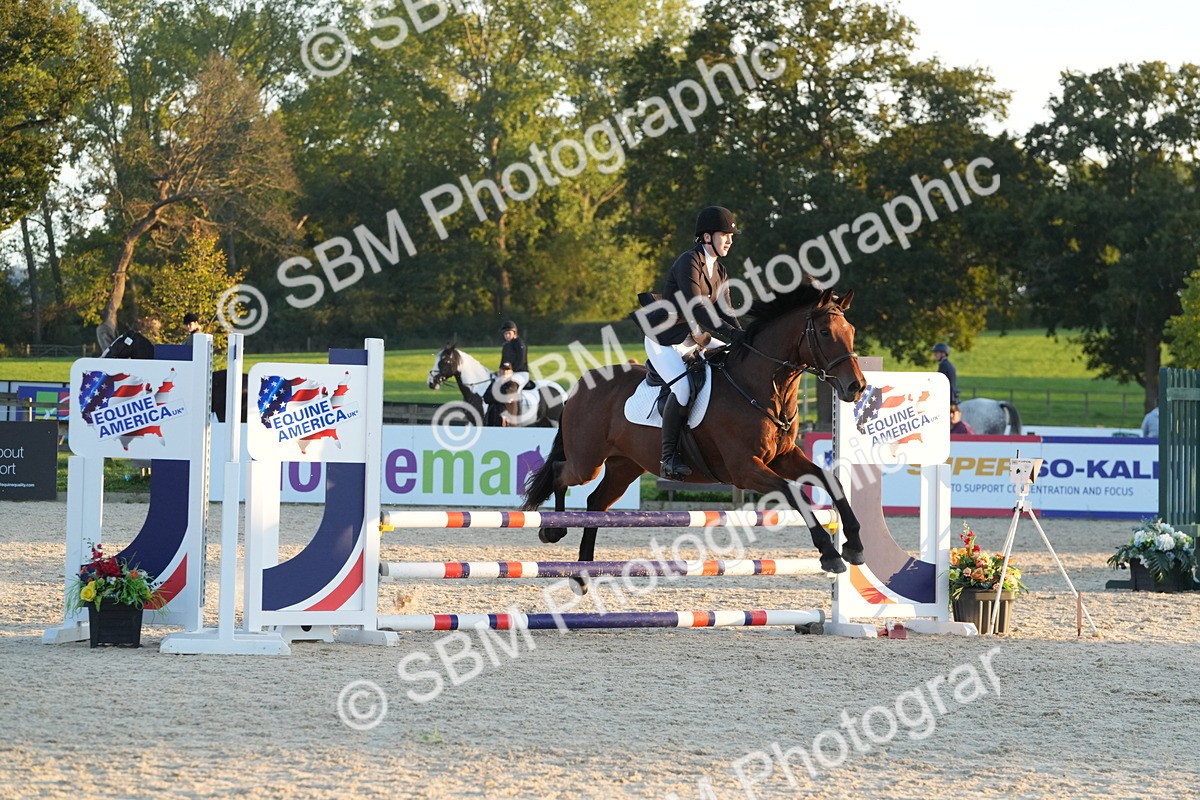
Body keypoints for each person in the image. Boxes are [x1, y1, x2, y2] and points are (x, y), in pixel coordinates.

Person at [638, 206, 745, 480]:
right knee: (683, 389)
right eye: (726, 235)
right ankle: (668, 458)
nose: (730, 241)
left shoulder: (719, 270)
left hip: (695, 338)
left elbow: (727, 313)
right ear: (707, 237)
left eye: (731, 236)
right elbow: (698, 309)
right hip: (666, 340)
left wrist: (745, 339)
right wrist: (733, 337)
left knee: (732, 364)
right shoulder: (689, 261)